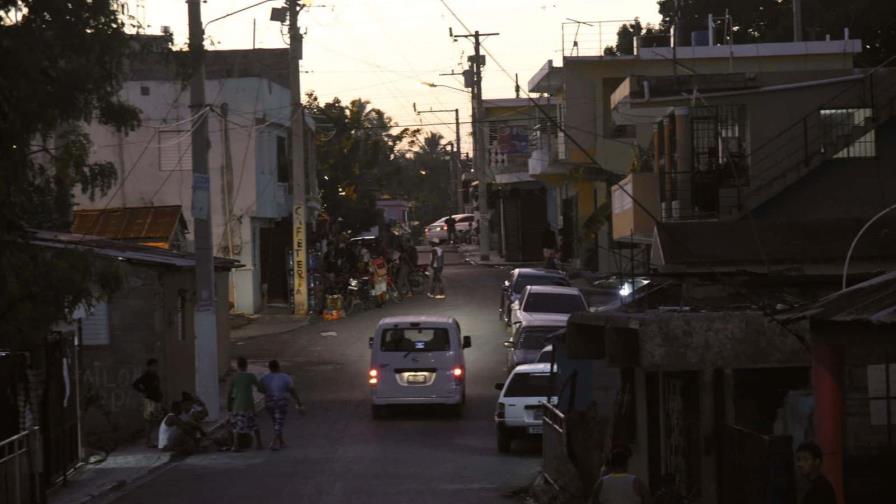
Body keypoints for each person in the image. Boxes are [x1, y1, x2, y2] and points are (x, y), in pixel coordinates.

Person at [260, 360, 305, 451]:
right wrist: (299, 402)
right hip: (281, 402)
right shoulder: (285, 377)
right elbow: (292, 390)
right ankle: (275, 442)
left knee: (276, 422)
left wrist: (268, 392)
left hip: (269, 402)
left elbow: (260, 389)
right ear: (278, 367)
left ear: (269, 368)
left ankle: (281, 441)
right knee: (279, 422)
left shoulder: (265, 378)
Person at [227, 357, 265, 452]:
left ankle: (235, 446)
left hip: (237, 405)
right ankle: (259, 443)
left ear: (237, 365)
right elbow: (259, 388)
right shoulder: (250, 376)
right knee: (254, 424)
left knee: (237, 426)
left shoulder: (234, 377)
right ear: (246, 365)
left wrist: (229, 405)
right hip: (249, 405)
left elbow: (229, 393)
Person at [132, 358, 164, 448]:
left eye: (156, 366)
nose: (156, 367)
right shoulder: (146, 376)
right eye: (154, 366)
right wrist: (143, 391)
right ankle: (148, 441)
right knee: (149, 421)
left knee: (155, 421)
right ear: (150, 366)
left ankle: (153, 440)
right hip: (150, 400)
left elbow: (157, 387)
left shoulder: (155, 376)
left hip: (156, 400)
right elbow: (135, 384)